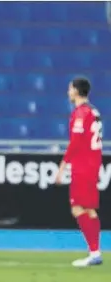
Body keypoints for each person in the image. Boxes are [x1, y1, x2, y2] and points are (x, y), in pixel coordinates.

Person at [55, 77, 103, 267]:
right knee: (89, 209)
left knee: (78, 208)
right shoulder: (94, 111)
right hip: (93, 164)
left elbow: (75, 142)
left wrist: (62, 167)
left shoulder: (81, 113)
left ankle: (93, 252)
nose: (68, 92)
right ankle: (95, 251)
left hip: (83, 165)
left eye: (69, 89)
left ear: (75, 90)